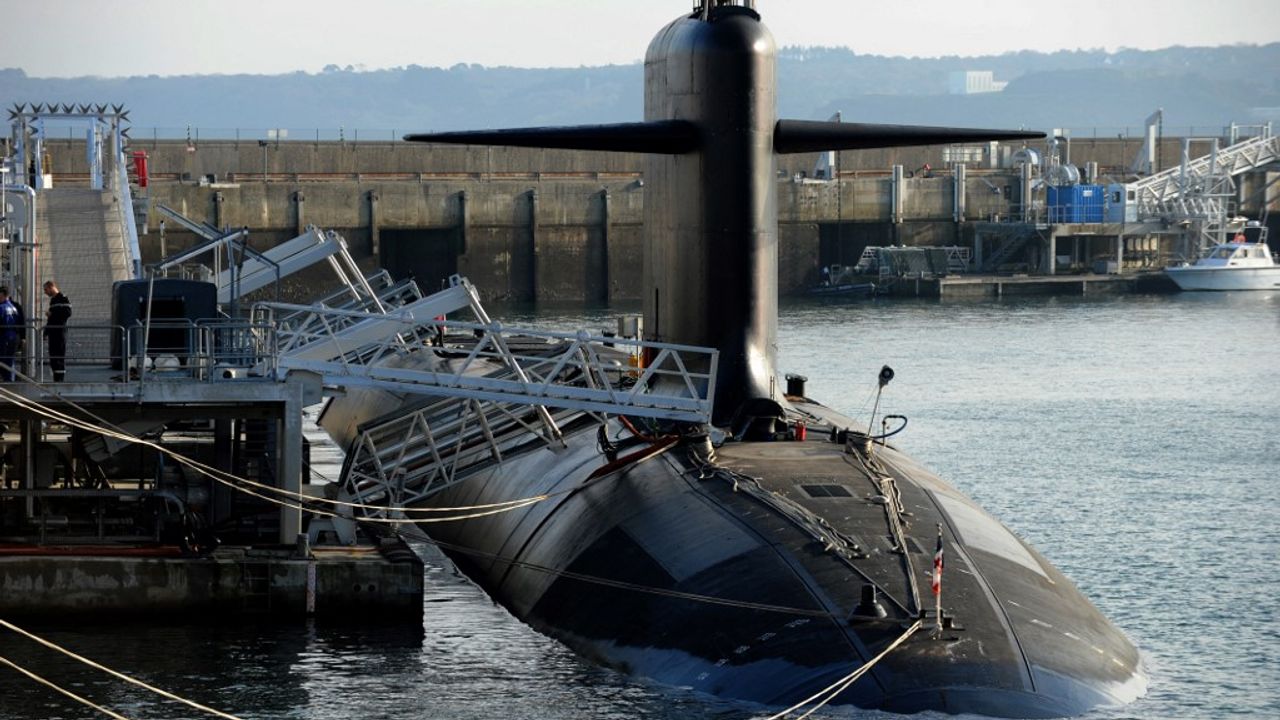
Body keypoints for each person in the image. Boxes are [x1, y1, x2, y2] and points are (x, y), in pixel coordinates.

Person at [43, 280, 72, 382]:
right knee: (53, 358)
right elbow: (50, 320)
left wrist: (52, 315)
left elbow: (67, 313)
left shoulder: (63, 298)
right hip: (53, 333)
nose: (45, 292)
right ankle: (56, 380)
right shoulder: (53, 300)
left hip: (59, 332)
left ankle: (60, 381)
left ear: (51, 287)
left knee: (59, 357)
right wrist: (46, 332)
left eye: (46, 290)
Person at [0, 287, 20, 382]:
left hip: (4, 336)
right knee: (10, 359)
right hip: (13, 335)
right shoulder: (13, 307)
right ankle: (10, 379)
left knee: (3, 360)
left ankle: (7, 380)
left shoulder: (1, 307)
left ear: (2, 295)